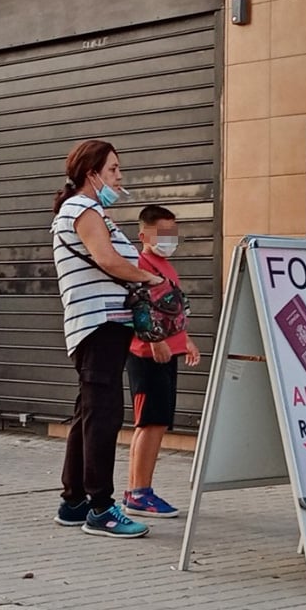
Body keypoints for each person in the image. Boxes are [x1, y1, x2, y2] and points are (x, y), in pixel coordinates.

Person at [50, 139, 162, 539]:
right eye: (113, 170)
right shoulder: (83, 209)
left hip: (103, 325)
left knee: (88, 413)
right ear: (91, 173)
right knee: (104, 415)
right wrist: (150, 277)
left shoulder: (90, 211)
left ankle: (74, 500)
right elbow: (107, 260)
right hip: (98, 325)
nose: (119, 177)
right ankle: (100, 507)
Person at [123, 205, 200, 519]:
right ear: (144, 235)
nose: (169, 239)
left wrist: (186, 341)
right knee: (150, 423)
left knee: (156, 423)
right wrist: (154, 343)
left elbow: (172, 311)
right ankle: (140, 493)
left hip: (168, 352)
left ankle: (136, 491)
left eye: (173, 232)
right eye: (162, 233)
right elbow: (138, 308)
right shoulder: (139, 264)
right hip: (147, 355)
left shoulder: (167, 267)